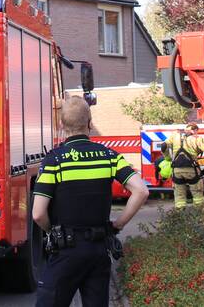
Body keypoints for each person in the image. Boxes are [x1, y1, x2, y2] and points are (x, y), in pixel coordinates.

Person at [32, 97, 149, 307]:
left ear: (61, 124)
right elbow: (140, 191)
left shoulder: (54, 161)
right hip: (98, 251)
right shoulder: (109, 156)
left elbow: (38, 214)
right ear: (89, 122)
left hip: (65, 251)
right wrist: (118, 225)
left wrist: (52, 231)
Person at [161, 122, 204, 209]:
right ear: (195, 130)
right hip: (191, 169)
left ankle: (179, 214)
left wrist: (168, 158)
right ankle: (200, 213)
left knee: (179, 195)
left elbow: (164, 145)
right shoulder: (196, 138)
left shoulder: (175, 136)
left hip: (176, 170)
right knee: (197, 194)